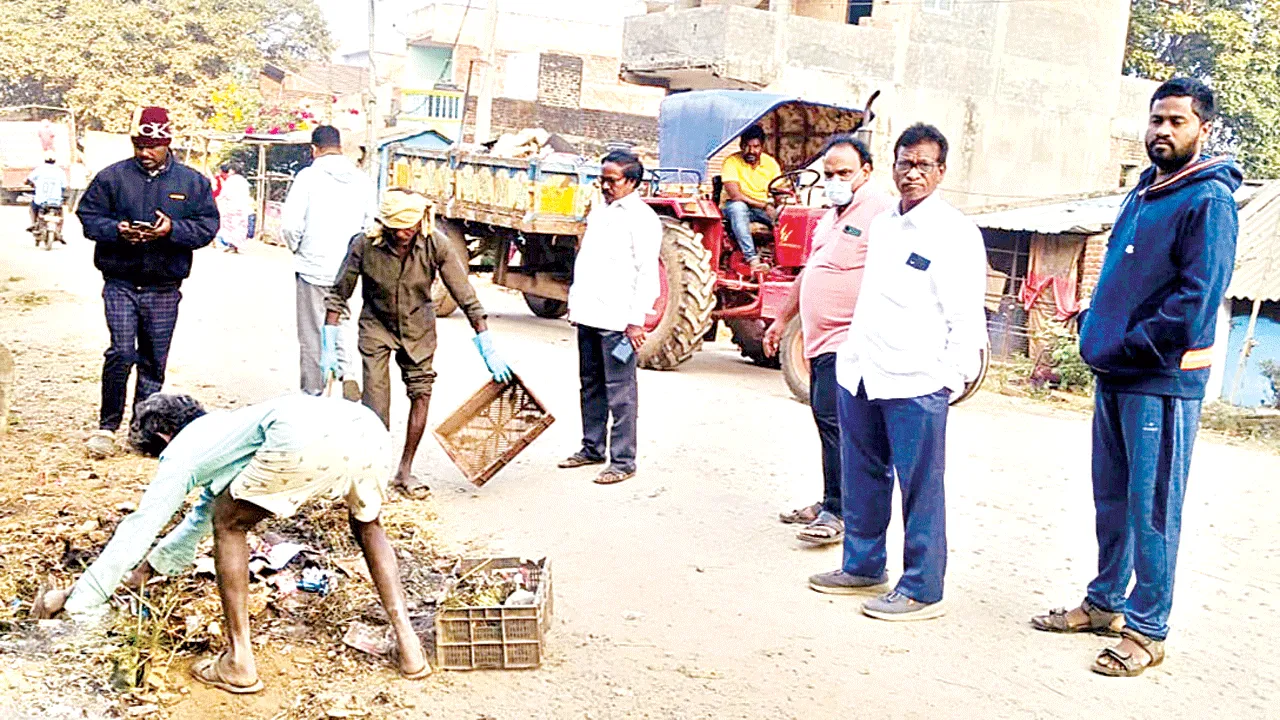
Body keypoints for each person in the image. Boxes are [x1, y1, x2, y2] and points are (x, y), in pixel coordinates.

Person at [1031, 79, 1240, 677]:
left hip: (1161, 381)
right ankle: (1104, 603)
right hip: (1116, 372)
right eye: (1156, 121)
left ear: (1202, 128)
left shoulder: (1208, 201)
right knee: (1112, 499)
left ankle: (1147, 630)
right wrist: (1095, 322)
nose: (1163, 132)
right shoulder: (1145, 191)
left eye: (1177, 121)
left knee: (1152, 507)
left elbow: (1195, 302)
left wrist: (1129, 343)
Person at [30, 393, 431, 692]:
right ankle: (409, 648)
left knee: (230, 526)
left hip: (302, 437)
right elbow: (198, 518)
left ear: (164, 437)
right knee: (368, 525)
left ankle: (239, 661)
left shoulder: (183, 451)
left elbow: (141, 526)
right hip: (366, 427)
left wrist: (79, 599)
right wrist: (146, 572)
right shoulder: (227, 431)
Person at [807, 124, 986, 621]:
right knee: (863, 475)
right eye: (905, 163)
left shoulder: (954, 233)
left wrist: (950, 378)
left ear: (941, 171)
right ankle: (863, 566)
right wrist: (850, 361)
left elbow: (967, 317)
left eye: (923, 165)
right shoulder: (883, 223)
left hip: (917, 379)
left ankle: (923, 588)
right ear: (893, 168)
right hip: (864, 371)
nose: (912, 173)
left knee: (920, 486)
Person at [326, 189, 511, 497]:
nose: (403, 233)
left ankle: (404, 471)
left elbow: (465, 295)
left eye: (409, 226)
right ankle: (374, 470)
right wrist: (329, 341)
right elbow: (339, 293)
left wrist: (486, 344)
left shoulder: (436, 244)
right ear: (383, 224)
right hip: (377, 327)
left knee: (421, 394)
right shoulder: (363, 245)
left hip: (418, 328)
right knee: (375, 406)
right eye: (395, 227)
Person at [763, 135, 896, 546]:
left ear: (866, 173)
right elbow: (812, 270)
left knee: (840, 425)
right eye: (829, 174)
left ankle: (839, 512)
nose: (835, 181)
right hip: (819, 341)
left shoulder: (881, 212)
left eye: (844, 173)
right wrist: (781, 319)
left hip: (850, 341)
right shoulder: (832, 215)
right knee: (826, 422)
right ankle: (830, 499)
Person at [76, 106, 220, 459]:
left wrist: (172, 230)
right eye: (139, 144)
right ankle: (107, 427)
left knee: (154, 360)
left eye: (152, 146)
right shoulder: (111, 177)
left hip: (164, 286)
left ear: (168, 143)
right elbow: (88, 216)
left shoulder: (192, 183)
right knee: (122, 352)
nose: (145, 152)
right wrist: (117, 231)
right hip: (120, 281)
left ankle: (142, 429)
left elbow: (207, 226)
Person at [557, 151, 661, 485]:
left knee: (621, 391)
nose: (605, 186)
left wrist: (637, 321)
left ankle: (623, 460)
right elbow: (586, 263)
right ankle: (591, 447)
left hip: (619, 321)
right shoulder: (599, 213)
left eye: (612, 180)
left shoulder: (642, 219)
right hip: (590, 313)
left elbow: (647, 273)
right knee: (590, 384)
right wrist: (576, 306)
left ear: (632, 182)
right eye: (602, 179)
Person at [282, 125, 375, 399]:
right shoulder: (363, 181)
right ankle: (348, 375)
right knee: (341, 324)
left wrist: (299, 249)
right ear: (341, 147)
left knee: (312, 334)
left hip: (313, 267)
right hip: (347, 269)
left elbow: (290, 226)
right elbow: (370, 226)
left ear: (314, 149)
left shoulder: (308, 178)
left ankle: (313, 392)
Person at [721, 124, 782, 275]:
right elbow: (736, 195)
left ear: (762, 146)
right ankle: (752, 259)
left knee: (785, 216)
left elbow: (779, 191)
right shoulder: (731, 162)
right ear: (741, 145)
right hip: (733, 206)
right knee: (738, 208)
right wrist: (765, 205)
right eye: (747, 146)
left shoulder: (770, 164)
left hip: (760, 208)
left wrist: (781, 207)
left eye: (755, 147)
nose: (751, 151)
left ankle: (781, 261)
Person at [214, 162, 251, 253]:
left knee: (230, 226)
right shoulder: (244, 181)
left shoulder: (231, 180)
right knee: (239, 226)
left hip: (231, 207)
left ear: (232, 171)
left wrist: (218, 200)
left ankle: (230, 245)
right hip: (242, 207)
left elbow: (224, 193)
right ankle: (235, 246)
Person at [25, 155, 67, 231]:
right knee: (61, 213)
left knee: (32, 207)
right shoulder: (60, 171)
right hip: (56, 201)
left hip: (40, 200)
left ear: (44, 160)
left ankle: (34, 223)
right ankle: (59, 230)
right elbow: (64, 186)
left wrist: (31, 184)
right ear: (55, 161)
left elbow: (28, 180)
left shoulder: (39, 170)